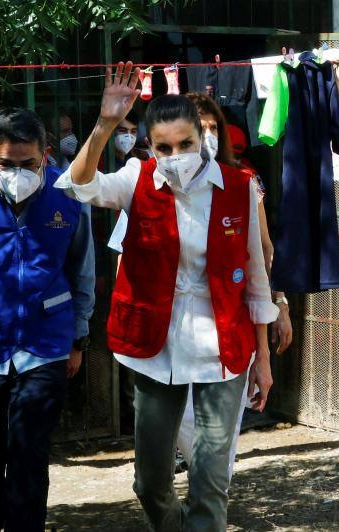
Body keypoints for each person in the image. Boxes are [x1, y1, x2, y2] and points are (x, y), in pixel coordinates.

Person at [56, 62, 279, 530]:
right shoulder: (137, 179)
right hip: (155, 346)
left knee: (210, 478)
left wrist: (263, 358)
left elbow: (256, 280)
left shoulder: (239, 188)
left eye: (185, 145)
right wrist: (105, 124)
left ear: (204, 139)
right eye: (163, 147)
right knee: (151, 480)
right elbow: (79, 185)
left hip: (225, 345)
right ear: (149, 147)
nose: (175, 155)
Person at [0, 107, 95, 531]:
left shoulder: (68, 194)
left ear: (46, 155)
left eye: (28, 164)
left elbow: (82, 270)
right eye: (6, 164)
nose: (17, 173)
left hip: (45, 345)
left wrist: (79, 338)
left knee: (29, 451)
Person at [173, 93, 293, 483]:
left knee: (221, 442)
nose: (207, 136)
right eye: (198, 128)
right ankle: (205, 493)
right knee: (182, 426)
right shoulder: (151, 183)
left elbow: (263, 254)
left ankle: (210, 507)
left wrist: (279, 304)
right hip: (172, 336)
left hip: (232, 332)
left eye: (212, 128)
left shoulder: (243, 184)